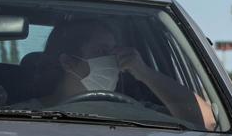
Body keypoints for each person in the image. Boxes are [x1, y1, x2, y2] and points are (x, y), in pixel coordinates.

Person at [19, 18, 216, 129]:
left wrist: (144, 72)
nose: (113, 59)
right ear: (68, 62)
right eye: (101, 52)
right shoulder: (24, 115)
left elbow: (206, 122)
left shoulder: (140, 112)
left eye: (115, 51)